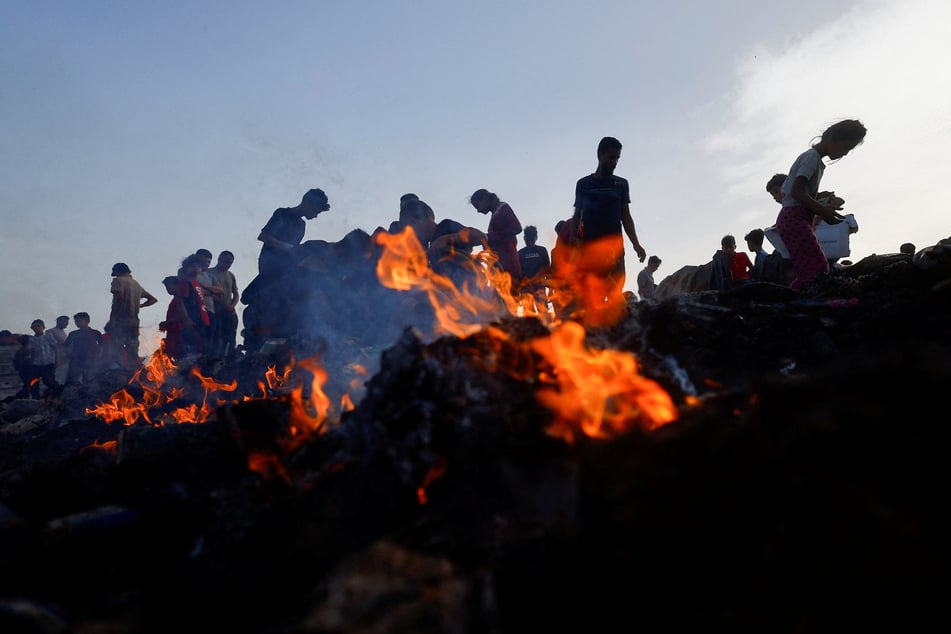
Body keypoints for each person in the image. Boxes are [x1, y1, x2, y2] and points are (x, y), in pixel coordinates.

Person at [776, 119, 867, 290]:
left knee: (812, 271)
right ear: (833, 138)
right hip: (794, 218)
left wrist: (825, 207)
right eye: (846, 147)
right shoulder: (811, 158)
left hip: (796, 218)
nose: (845, 153)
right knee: (817, 271)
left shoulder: (815, 160)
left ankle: (790, 301)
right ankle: (793, 303)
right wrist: (823, 211)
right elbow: (797, 192)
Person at [568, 136, 647, 327]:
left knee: (615, 294)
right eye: (611, 157)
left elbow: (625, 216)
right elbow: (577, 215)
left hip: (615, 249)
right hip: (591, 248)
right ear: (600, 155)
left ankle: (615, 336)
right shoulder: (584, 184)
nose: (614, 162)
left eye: (617, 158)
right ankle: (592, 337)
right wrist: (573, 241)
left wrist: (636, 244)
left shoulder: (621, 184)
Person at [257, 188, 331, 278]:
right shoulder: (282, 213)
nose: (315, 216)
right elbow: (263, 236)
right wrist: (289, 248)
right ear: (307, 203)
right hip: (269, 265)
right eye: (316, 211)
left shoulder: (302, 225)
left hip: (286, 268)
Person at [106, 262, 158, 369]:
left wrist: (113, 318)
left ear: (118, 271)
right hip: (134, 322)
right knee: (133, 351)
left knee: (115, 349)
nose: (114, 275)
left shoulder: (118, 280)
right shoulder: (136, 284)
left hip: (120, 321)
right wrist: (139, 306)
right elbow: (153, 300)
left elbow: (119, 299)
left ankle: (117, 373)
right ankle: (134, 373)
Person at [469, 188, 523, 279]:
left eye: (478, 206)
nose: (478, 211)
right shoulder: (494, 215)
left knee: (512, 291)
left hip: (509, 265)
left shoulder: (502, 207)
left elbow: (517, 228)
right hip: (499, 267)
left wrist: (490, 237)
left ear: (485, 199)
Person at [207, 250, 241, 358]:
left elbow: (235, 293)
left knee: (230, 338)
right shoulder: (209, 273)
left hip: (230, 313)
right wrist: (224, 305)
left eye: (230, 263)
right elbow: (210, 294)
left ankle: (230, 359)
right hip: (217, 313)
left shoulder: (231, 275)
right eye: (226, 262)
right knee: (218, 339)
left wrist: (232, 305)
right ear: (219, 259)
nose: (228, 265)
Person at [517, 225, 551, 314]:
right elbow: (519, 271)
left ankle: (543, 327)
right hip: (527, 287)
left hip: (537, 286)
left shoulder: (541, 250)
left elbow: (547, 269)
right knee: (530, 313)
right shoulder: (521, 253)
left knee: (542, 312)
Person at [63, 312, 103, 385]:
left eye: (79, 321)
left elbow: (101, 345)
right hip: (76, 360)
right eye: (76, 321)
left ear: (87, 321)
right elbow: (65, 346)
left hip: (91, 360)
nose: (77, 323)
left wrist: (98, 355)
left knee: (90, 382)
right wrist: (69, 354)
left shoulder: (95, 333)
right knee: (71, 381)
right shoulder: (73, 334)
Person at [28, 319, 60, 398]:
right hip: (36, 364)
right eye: (34, 326)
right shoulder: (31, 339)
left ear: (43, 327)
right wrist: (31, 362)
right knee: (34, 382)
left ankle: (58, 392)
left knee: (48, 380)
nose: (37, 328)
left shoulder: (48, 336)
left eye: (39, 326)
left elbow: (56, 347)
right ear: (32, 328)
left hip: (48, 363)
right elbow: (32, 351)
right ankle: (36, 398)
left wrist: (57, 359)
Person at [48, 315, 70, 383]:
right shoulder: (51, 331)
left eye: (67, 322)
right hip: (55, 358)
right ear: (58, 321)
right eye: (64, 321)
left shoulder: (63, 333)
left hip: (65, 358)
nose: (66, 323)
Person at [12, 334, 33, 399]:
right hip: (25, 370)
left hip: (26, 370)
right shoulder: (22, 351)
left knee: (28, 384)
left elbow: (16, 362)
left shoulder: (21, 351)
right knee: (28, 384)